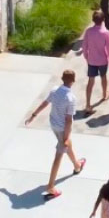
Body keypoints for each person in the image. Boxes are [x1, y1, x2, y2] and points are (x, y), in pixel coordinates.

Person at [26, 69, 85, 198]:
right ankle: (50, 186)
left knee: (67, 145)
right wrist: (66, 136)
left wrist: (33, 115)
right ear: (73, 81)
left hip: (53, 125)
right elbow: (69, 120)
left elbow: (45, 103)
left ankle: (77, 165)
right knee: (59, 155)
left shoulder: (54, 90)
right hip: (63, 128)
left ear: (62, 79)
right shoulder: (71, 98)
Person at [82, 10, 109, 114]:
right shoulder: (106, 33)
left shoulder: (88, 31)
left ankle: (87, 104)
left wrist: (87, 57)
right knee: (103, 77)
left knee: (90, 81)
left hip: (91, 61)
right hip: (103, 61)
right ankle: (105, 94)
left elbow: (84, 47)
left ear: (93, 20)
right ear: (103, 20)